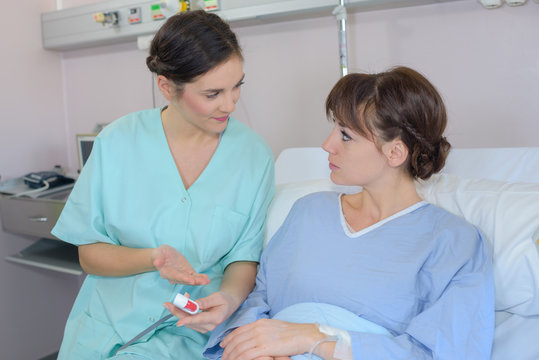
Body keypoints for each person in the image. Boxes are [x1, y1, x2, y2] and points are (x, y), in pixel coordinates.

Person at [202, 66, 495, 360]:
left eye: (345, 135)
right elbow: (258, 298)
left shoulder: (455, 243)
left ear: (395, 152)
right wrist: (252, 349)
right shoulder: (309, 211)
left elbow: (448, 352)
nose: (327, 145)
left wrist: (315, 338)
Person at [52, 10, 274, 360]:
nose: (230, 104)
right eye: (213, 93)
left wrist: (229, 300)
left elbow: (243, 258)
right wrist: (152, 258)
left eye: (237, 86)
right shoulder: (117, 142)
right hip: (103, 328)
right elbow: (89, 254)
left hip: (188, 333)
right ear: (167, 86)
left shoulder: (253, 156)